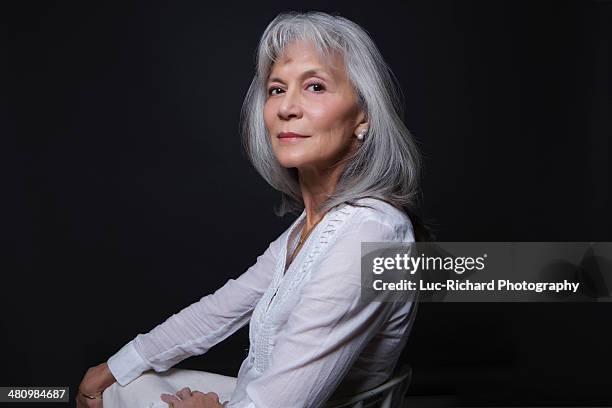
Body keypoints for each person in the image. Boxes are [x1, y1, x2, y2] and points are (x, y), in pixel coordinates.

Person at [76, 10, 430, 408]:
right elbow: (218, 312)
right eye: (277, 89)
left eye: (315, 86)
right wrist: (117, 365)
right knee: (118, 386)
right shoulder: (312, 228)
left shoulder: (371, 234)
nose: (286, 108)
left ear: (362, 116)